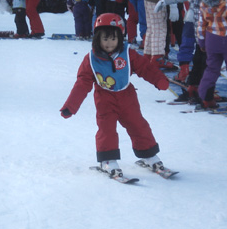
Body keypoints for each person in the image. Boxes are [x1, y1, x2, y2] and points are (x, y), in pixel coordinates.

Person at [60, 13, 169, 177]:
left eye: (113, 38)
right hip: (104, 99)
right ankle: (108, 160)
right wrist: (70, 106)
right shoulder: (90, 60)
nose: (109, 43)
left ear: (120, 37)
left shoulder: (128, 54)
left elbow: (144, 68)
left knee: (138, 125)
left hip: (127, 97)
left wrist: (159, 80)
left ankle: (148, 155)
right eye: (105, 39)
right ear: (97, 39)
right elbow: (82, 84)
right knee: (107, 129)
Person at [154, 0, 209, 86]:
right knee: (200, 49)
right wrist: (164, 1)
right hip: (204, 24)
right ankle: (189, 72)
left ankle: (186, 71)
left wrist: (164, 1)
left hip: (191, 21)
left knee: (188, 46)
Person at [196, 0, 227, 108]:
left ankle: (206, 99)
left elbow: (201, 23)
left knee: (212, 69)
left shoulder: (204, 0)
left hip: (211, 40)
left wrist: (201, 41)